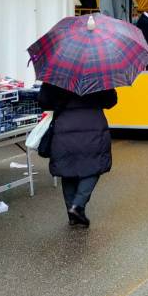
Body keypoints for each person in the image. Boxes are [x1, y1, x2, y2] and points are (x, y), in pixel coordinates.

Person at [38, 82, 117, 228]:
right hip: (93, 128)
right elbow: (111, 101)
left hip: (64, 127)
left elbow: (44, 101)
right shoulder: (97, 73)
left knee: (67, 169)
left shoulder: (57, 75)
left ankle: (73, 215)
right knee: (94, 166)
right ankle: (77, 206)